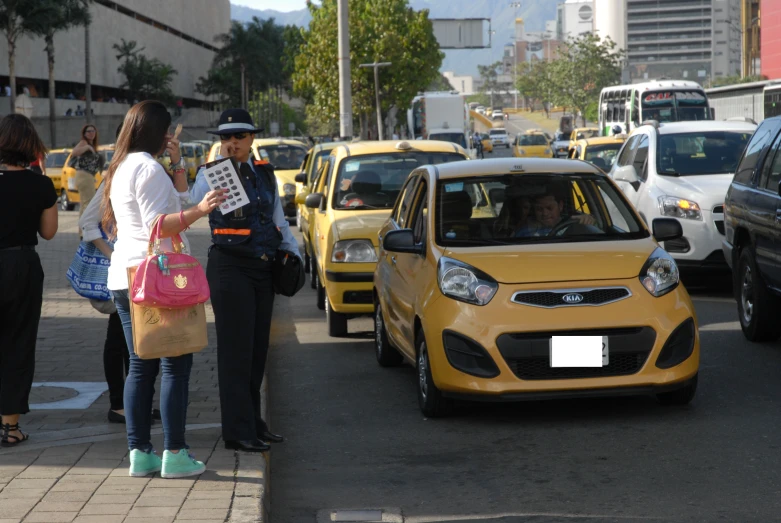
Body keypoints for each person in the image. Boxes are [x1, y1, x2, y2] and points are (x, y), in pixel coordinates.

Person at [103, 100, 226, 478]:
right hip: (158, 278)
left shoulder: (124, 166)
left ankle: (140, 453)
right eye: (168, 130)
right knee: (176, 364)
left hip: (127, 276)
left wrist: (177, 171)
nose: (172, 137)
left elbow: (169, 207)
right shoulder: (148, 169)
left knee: (140, 367)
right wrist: (202, 209)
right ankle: (175, 453)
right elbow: (162, 225)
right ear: (157, 131)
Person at [190, 109, 299, 453]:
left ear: (252, 138)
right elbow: (195, 202)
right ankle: (237, 431)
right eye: (226, 138)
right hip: (229, 267)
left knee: (256, 351)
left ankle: (254, 421)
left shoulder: (265, 174)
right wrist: (219, 166)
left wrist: (291, 254)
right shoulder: (214, 172)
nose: (232, 143)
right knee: (236, 352)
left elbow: (278, 217)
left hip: (262, 267)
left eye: (239, 137)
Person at [0, 114, 59, 447]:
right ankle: (10, 427)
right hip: (22, 263)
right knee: (18, 342)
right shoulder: (41, 185)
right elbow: (49, 232)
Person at [518, 185, 596, 237]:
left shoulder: (574, 225)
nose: (545, 213)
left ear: (560, 206)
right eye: (539, 209)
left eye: (549, 208)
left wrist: (589, 220)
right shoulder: (524, 231)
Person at [71, 124, 102, 219]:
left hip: (87, 176)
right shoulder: (84, 143)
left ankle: (82, 232)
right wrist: (87, 148)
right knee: (88, 203)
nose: (91, 133)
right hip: (84, 175)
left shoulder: (92, 144)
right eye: (88, 131)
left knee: (84, 204)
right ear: (84, 133)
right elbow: (74, 152)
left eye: (93, 131)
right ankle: (85, 230)